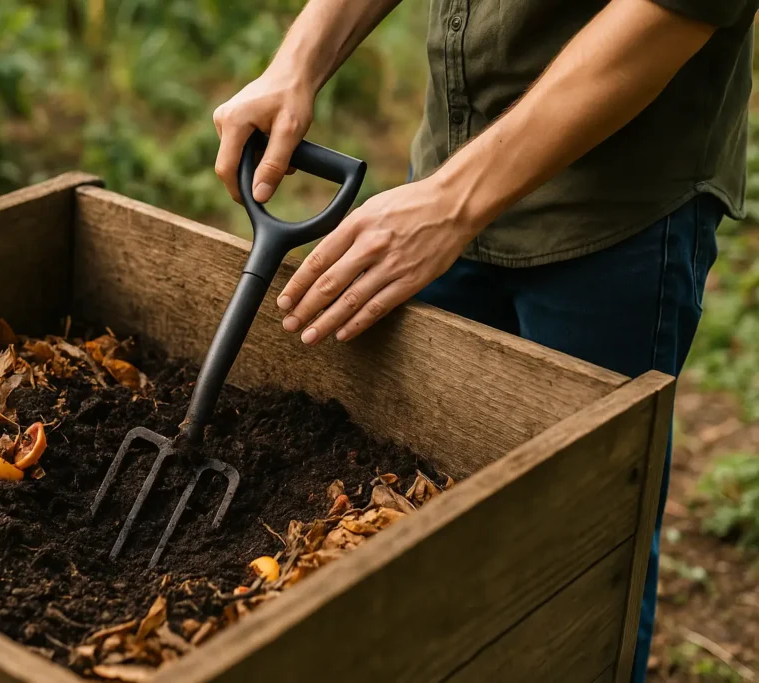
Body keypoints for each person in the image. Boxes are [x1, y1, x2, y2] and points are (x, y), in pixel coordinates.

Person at [211, 0, 756, 679]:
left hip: (612, 216)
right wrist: (300, 59)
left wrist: (451, 203)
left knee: (576, 560)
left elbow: (672, 11)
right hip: (448, 171)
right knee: (420, 519)